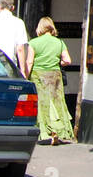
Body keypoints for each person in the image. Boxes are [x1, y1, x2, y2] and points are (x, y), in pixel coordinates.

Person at [28, 17, 75, 146]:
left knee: (43, 104)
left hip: (39, 75)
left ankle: (45, 132)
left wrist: (25, 76)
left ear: (40, 28)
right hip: (55, 75)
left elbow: (29, 62)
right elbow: (68, 61)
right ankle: (60, 131)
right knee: (57, 103)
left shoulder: (33, 43)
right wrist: (57, 62)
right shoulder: (59, 43)